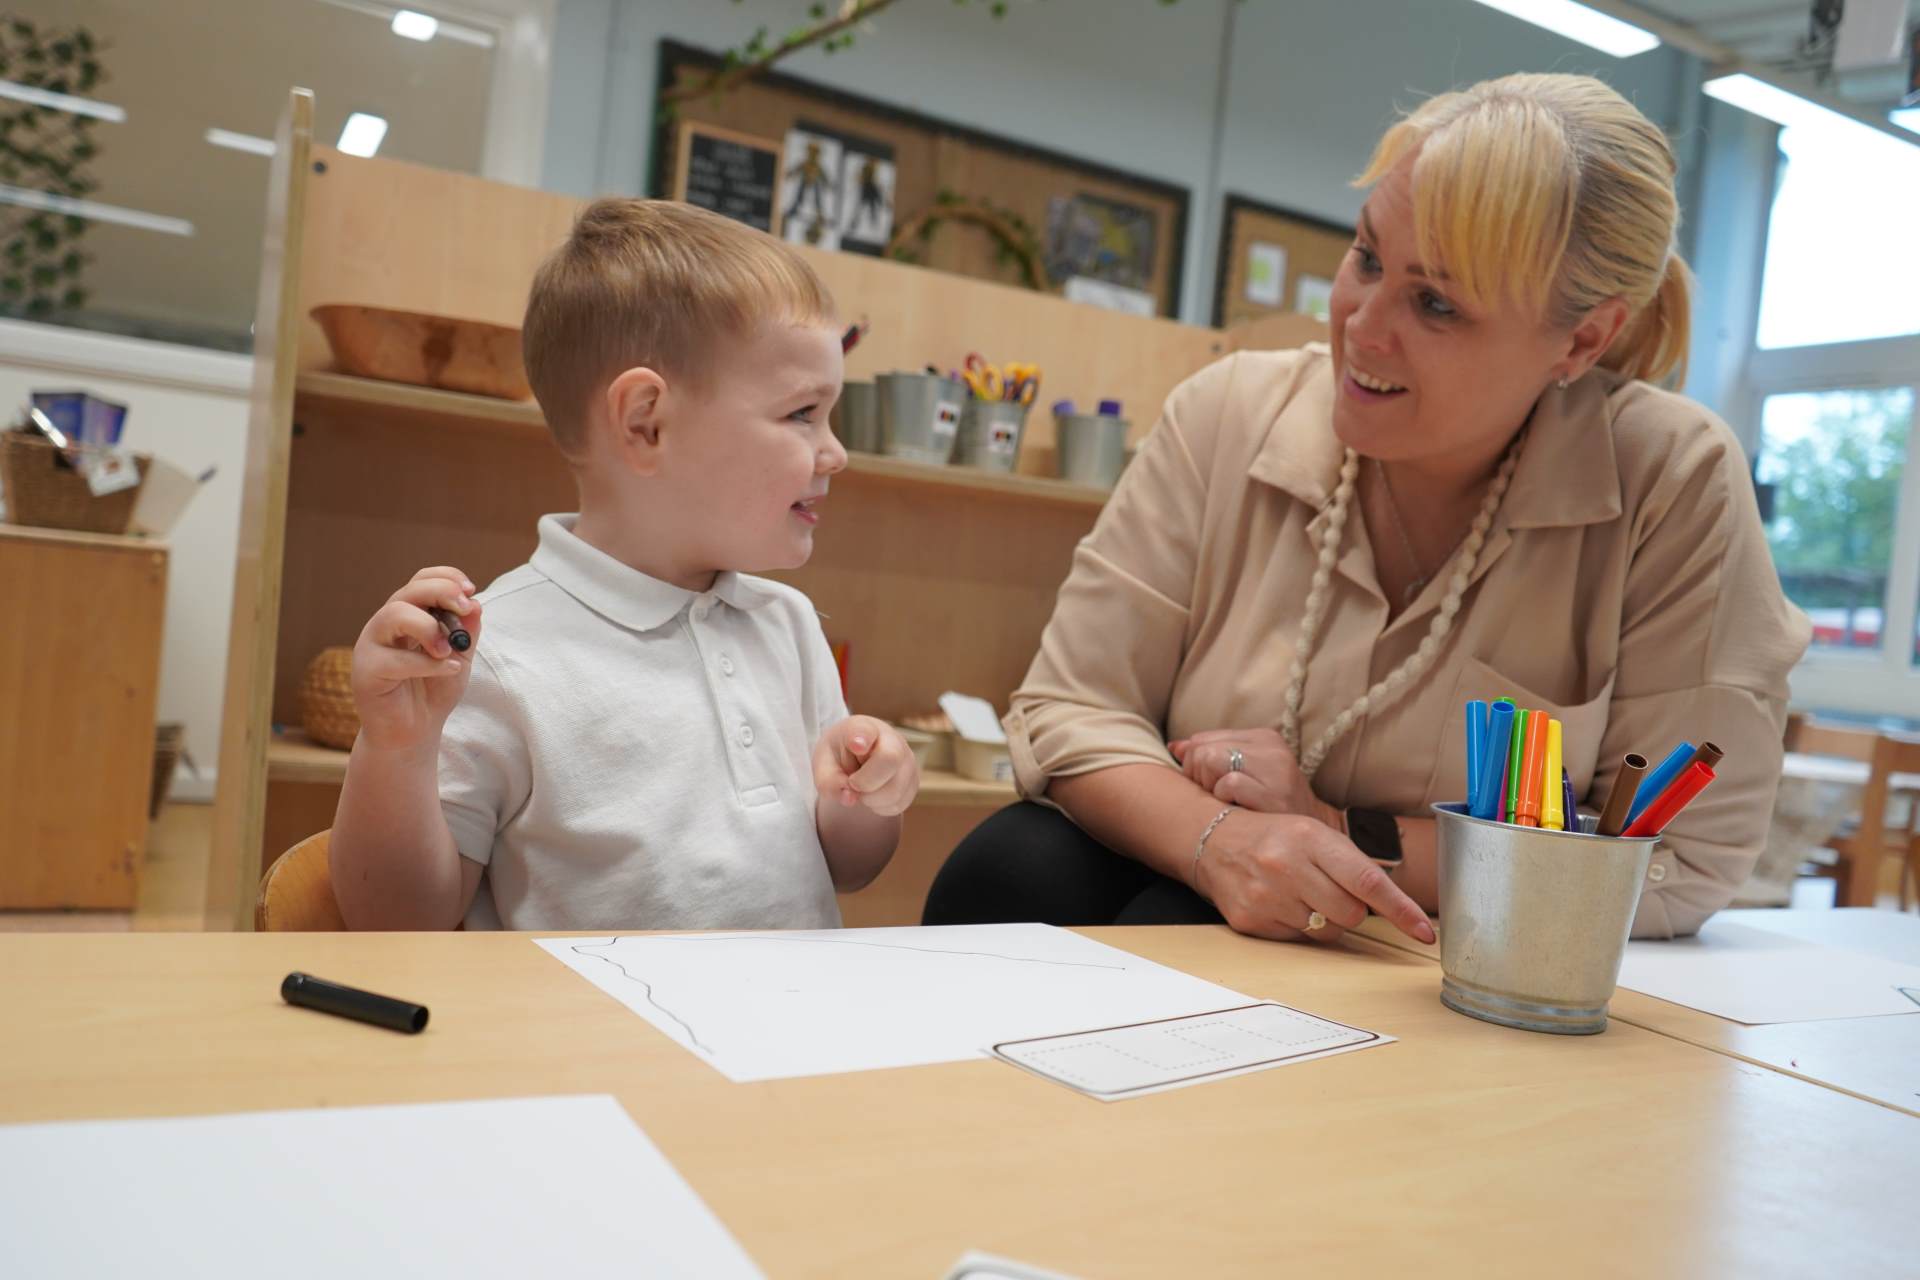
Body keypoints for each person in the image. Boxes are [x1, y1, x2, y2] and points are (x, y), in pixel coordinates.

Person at [924, 73, 1808, 944]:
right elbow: (1072, 707)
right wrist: (1222, 843)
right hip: (1202, 873)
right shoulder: (1230, 410)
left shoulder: (1670, 478)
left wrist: (1333, 833)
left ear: (1583, 338)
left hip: (1465, 948)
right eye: (1366, 258)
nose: (1360, 325)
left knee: (1193, 931)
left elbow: (1678, 857)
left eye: (1436, 304)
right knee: (1014, 869)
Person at [330, 199, 920, 930]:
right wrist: (397, 749)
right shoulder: (492, 651)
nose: (836, 453)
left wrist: (866, 796)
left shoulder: (787, 624)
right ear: (646, 422)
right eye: (803, 413)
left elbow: (848, 869)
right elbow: (397, 920)